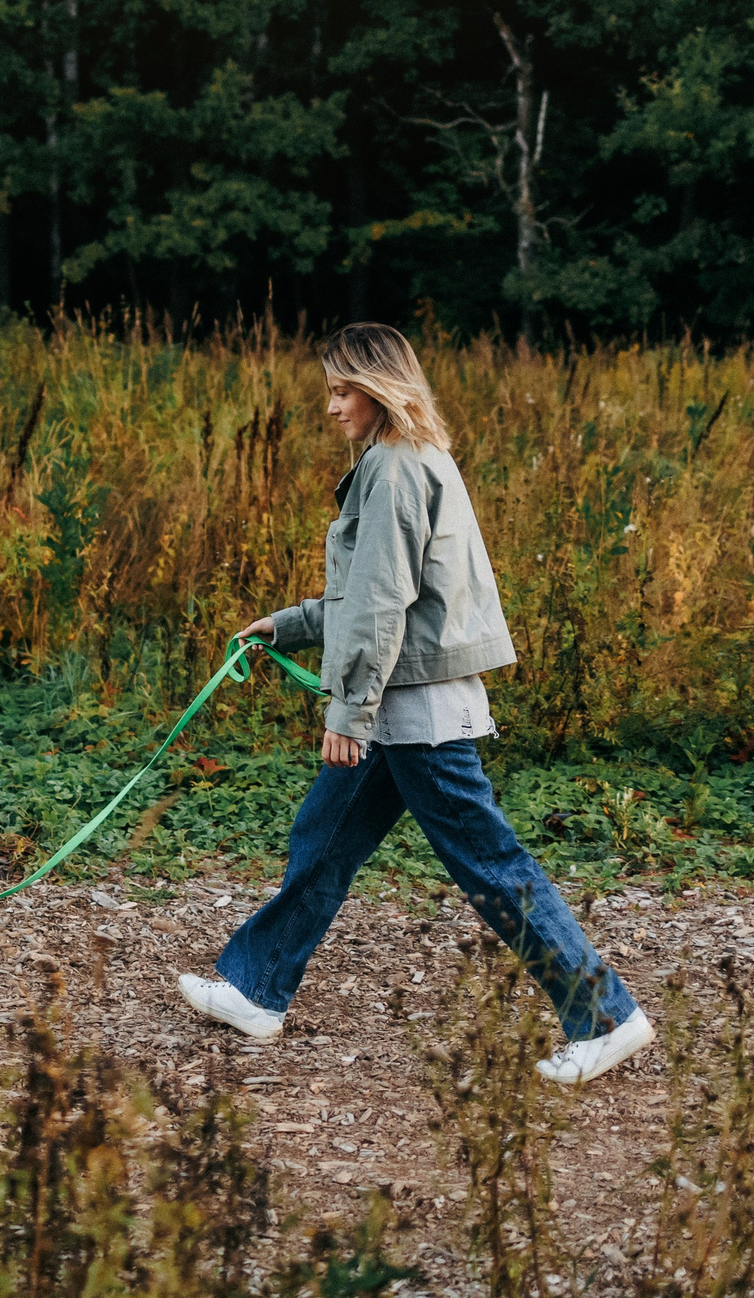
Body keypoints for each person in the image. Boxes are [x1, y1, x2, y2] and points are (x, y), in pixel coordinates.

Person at [176, 323, 654, 1085]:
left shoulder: (395, 469)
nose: (331, 408)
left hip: (414, 713)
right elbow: (372, 593)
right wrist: (292, 625)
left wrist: (347, 715)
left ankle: (605, 1016)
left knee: (491, 864)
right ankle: (254, 989)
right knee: (324, 841)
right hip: (401, 705)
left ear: (379, 389)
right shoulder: (413, 459)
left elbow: (380, 606)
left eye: (341, 391)